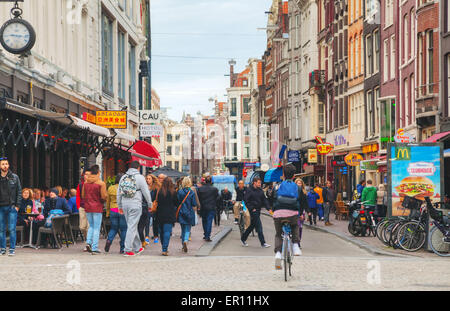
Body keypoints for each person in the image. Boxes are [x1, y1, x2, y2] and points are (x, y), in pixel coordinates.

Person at [272, 164, 309, 269]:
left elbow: (272, 198)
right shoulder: (297, 188)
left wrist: (274, 209)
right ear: (294, 176)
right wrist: (300, 213)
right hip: (292, 213)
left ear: (283, 174)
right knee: (295, 226)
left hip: (278, 214)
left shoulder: (277, 186)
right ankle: (296, 245)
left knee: (278, 234)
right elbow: (302, 201)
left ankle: (278, 253)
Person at [117, 161, 152, 257]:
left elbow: (118, 192)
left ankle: (138, 247)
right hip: (135, 204)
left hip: (125, 204)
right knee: (132, 226)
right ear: (138, 168)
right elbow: (146, 192)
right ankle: (127, 249)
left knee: (131, 225)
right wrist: (150, 204)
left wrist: (119, 206)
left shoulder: (123, 177)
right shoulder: (140, 178)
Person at [82, 165, 107, 255]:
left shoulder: (85, 183)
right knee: (96, 228)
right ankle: (94, 247)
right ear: (98, 172)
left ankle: (88, 242)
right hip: (97, 207)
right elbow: (104, 196)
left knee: (91, 226)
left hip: (88, 207)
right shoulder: (101, 183)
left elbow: (83, 195)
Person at [0, 158, 22, 256]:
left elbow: (19, 192)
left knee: (12, 229)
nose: (5, 165)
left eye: (6, 164)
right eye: (3, 164)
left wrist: (17, 206)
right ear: (0, 166)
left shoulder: (14, 177)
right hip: (1, 207)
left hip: (12, 207)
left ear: (8, 166)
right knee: (1, 229)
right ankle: (3, 248)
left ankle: (12, 249)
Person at [241, 177, 271, 248]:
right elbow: (246, 200)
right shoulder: (249, 190)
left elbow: (264, 200)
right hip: (253, 211)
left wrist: (268, 208)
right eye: (258, 182)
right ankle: (263, 243)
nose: (260, 184)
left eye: (260, 182)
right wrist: (252, 208)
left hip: (258, 210)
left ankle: (243, 238)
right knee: (259, 226)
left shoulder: (260, 190)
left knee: (252, 226)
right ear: (254, 182)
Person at [155, 177, 179, 256]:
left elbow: (157, 201)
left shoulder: (160, 192)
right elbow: (176, 203)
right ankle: (165, 249)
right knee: (167, 232)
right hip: (169, 214)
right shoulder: (173, 192)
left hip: (160, 213)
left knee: (161, 232)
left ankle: (163, 247)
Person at [105, 174, 127, 254]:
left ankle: (109, 240)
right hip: (122, 210)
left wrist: (107, 212)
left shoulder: (111, 188)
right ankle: (122, 248)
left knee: (113, 228)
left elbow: (108, 202)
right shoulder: (125, 188)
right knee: (124, 229)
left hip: (113, 209)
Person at [177, 177, 198, 253]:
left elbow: (178, 201)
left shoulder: (180, 191)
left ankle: (183, 245)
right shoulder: (191, 192)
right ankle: (186, 240)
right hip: (189, 212)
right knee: (188, 229)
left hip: (181, 212)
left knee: (182, 229)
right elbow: (194, 203)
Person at [197, 176, 219, 242]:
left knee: (204, 220)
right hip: (211, 207)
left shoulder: (200, 189)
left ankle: (205, 234)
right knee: (209, 221)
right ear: (211, 181)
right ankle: (207, 236)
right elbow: (217, 197)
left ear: (205, 181)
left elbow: (198, 198)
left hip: (203, 207)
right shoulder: (214, 189)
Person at [138, 174, 156, 248]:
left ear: (152, 180)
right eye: (147, 179)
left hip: (151, 207)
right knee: (145, 222)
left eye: (149, 179)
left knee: (148, 222)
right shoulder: (143, 187)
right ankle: (145, 237)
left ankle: (147, 236)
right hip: (144, 207)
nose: (148, 180)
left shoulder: (154, 188)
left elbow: (154, 198)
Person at [76, 170, 91, 240]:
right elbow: (78, 196)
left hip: (90, 208)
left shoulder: (93, 184)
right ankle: (87, 239)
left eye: (88, 174)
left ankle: (88, 243)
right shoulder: (81, 185)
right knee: (82, 227)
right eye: (85, 174)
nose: (86, 176)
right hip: (82, 207)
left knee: (88, 227)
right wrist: (78, 206)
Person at [294, 178, 308, 248]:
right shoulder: (293, 192)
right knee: (295, 227)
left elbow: (305, 203)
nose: (299, 184)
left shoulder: (304, 192)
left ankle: (298, 241)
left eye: (300, 183)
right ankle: (295, 242)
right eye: (298, 183)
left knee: (300, 228)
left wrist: (308, 212)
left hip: (301, 211)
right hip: (295, 211)